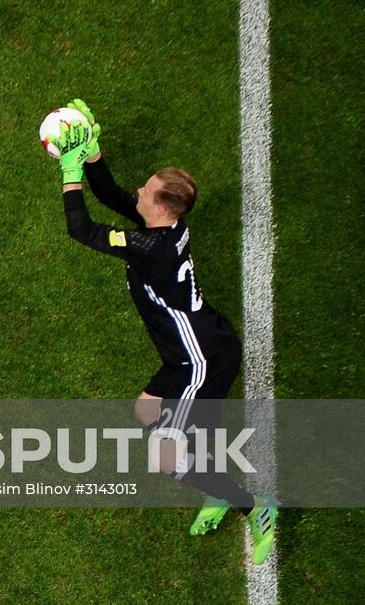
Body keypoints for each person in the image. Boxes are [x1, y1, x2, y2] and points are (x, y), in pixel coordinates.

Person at [54, 99, 278, 565]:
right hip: (196, 349)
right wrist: (92, 154)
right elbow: (117, 196)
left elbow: (81, 229)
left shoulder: (151, 248)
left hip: (201, 363)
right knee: (145, 411)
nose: (140, 188)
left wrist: (70, 172)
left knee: (168, 460)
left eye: (148, 188)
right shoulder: (164, 230)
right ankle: (213, 481)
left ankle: (254, 506)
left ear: (161, 207)